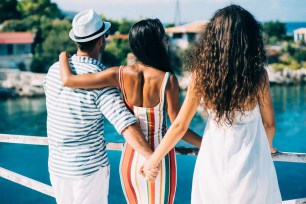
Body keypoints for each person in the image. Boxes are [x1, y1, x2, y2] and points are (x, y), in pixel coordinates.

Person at [142, 5, 282, 204]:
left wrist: (153, 160)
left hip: (213, 162)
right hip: (252, 165)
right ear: (250, 37)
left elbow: (179, 126)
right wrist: (268, 148)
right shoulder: (258, 76)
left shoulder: (201, 76)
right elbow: (269, 125)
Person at [58, 18, 202, 204]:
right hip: (157, 160)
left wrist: (63, 56)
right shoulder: (168, 80)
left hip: (130, 159)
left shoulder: (119, 73)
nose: (166, 41)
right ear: (155, 44)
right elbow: (179, 128)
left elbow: (69, 81)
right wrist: (206, 143)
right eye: (164, 38)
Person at [43, 9, 155, 204]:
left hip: (57, 167)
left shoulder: (54, 71)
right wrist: (151, 157)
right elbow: (124, 124)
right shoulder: (99, 77)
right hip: (87, 171)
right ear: (101, 40)